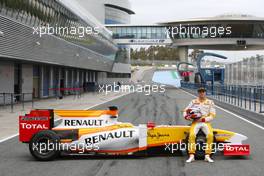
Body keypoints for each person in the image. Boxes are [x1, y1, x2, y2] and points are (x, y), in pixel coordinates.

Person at [183, 87, 216, 163]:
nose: (202, 93)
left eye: (203, 92)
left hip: (205, 122)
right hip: (195, 122)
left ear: (205, 93)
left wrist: (204, 119)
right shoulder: (193, 101)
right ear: (198, 93)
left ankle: (207, 156)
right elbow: (185, 110)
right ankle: (192, 155)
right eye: (200, 92)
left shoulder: (210, 102)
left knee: (210, 135)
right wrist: (186, 116)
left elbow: (212, 115)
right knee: (191, 135)